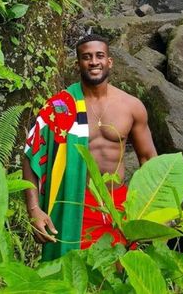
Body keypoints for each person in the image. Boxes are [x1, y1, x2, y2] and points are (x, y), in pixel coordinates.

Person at [23, 33, 157, 260]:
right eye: (87, 57)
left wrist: (155, 208)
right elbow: (30, 156)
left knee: (118, 276)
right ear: (78, 64)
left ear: (109, 61)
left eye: (99, 56)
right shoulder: (60, 106)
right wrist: (34, 209)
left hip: (120, 206)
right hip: (75, 205)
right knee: (73, 275)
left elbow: (149, 159)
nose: (94, 61)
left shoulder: (131, 106)